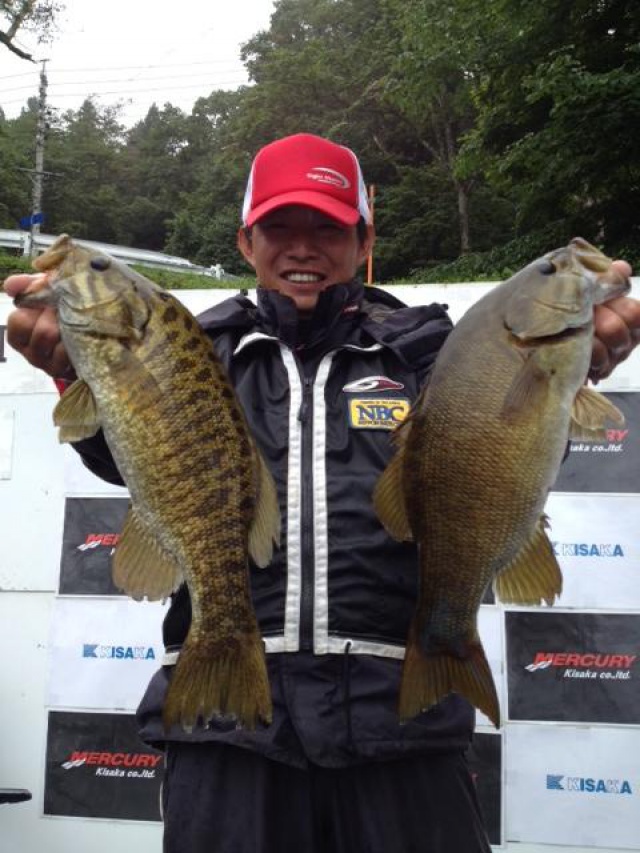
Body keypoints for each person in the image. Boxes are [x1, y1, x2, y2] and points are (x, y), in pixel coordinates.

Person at [5, 133, 640, 853]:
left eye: (328, 228)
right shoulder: (198, 347)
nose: (302, 247)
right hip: (228, 736)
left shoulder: (435, 352)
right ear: (247, 241)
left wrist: (569, 373)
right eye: (281, 228)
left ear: (364, 238)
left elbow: (496, 465)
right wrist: (74, 372)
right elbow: (133, 460)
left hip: (399, 726)